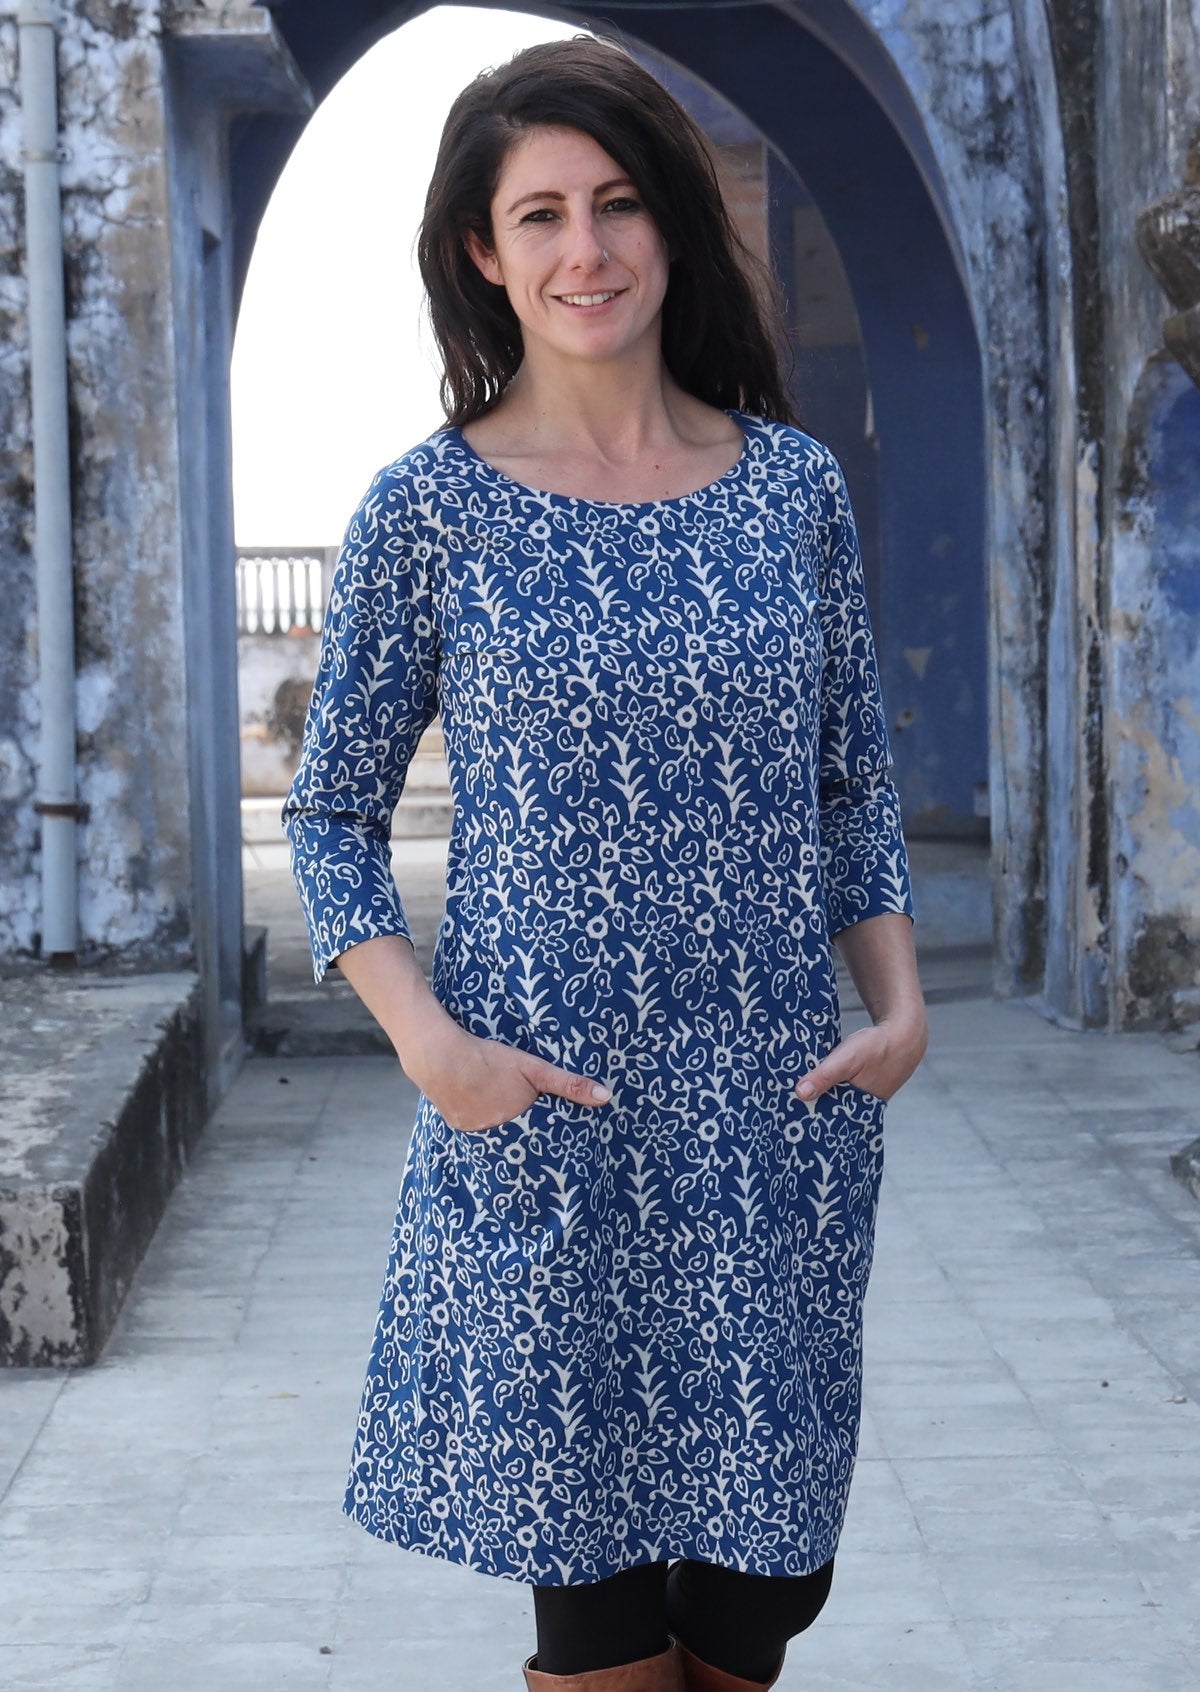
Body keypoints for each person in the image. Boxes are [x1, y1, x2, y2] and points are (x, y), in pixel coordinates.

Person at [283, 33, 928, 1692]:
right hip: (548, 1114)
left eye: (620, 202)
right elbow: (332, 813)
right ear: (482, 255)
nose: (588, 248)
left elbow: (852, 778)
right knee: (598, 1608)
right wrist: (431, 1047)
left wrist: (900, 1006)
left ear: (673, 229)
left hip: (769, 1119)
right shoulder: (428, 511)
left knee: (766, 1585)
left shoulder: (790, 491)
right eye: (542, 214)